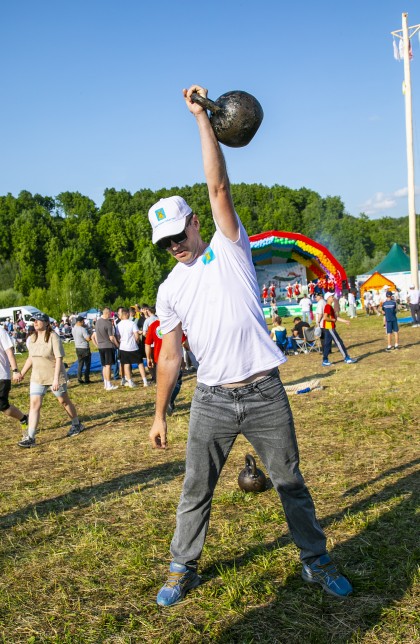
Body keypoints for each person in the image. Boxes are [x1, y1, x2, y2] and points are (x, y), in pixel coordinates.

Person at [148, 83, 352, 607]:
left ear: (195, 222)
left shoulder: (229, 245)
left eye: (179, 234)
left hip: (264, 392)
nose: (175, 245)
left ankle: (316, 562)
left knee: (289, 483)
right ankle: (181, 569)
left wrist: (201, 118)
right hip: (212, 399)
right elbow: (169, 355)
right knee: (196, 488)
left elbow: (218, 187)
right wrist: (160, 414)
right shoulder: (169, 289)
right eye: (165, 242)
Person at [18, 312, 85, 447]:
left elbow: (59, 358)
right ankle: (30, 437)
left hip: (54, 375)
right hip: (37, 377)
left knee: (63, 401)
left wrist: (55, 379)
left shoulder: (53, 337)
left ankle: (76, 424)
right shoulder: (32, 338)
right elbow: (30, 358)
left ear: (46, 323)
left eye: (38, 320)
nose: (35, 322)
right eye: (34, 320)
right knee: (34, 405)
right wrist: (22, 373)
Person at [0, 326, 28, 433]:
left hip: (2, 376)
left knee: (3, 406)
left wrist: (15, 370)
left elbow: (9, 351)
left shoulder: (1, 331)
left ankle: (23, 418)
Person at [321, 293, 357, 367]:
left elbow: (336, 317)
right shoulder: (328, 306)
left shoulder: (330, 306)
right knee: (339, 342)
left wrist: (345, 321)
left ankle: (325, 361)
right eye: (332, 297)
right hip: (330, 328)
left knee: (327, 344)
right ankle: (347, 358)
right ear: (328, 298)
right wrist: (332, 320)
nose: (333, 298)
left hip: (328, 328)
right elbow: (325, 317)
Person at [116, 308, 148, 387]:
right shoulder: (132, 323)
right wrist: (137, 342)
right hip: (133, 346)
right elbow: (136, 335)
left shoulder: (118, 325)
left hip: (123, 347)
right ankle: (145, 381)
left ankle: (130, 382)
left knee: (126, 364)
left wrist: (121, 342)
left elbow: (118, 336)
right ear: (127, 314)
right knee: (140, 363)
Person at [91, 307, 119, 391]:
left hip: (101, 346)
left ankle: (106, 383)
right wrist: (117, 345)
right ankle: (109, 384)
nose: (111, 315)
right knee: (108, 366)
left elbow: (95, 335)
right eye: (110, 314)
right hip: (108, 346)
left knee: (104, 366)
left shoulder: (97, 322)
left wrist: (97, 344)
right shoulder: (108, 323)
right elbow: (111, 337)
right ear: (107, 313)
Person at [72, 316, 92, 384]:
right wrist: (90, 334)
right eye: (83, 321)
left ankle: (79, 378)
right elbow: (88, 339)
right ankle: (86, 378)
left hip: (78, 347)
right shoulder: (82, 329)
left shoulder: (73, 329)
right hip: (84, 348)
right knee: (87, 364)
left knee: (80, 363)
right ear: (79, 322)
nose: (84, 323)